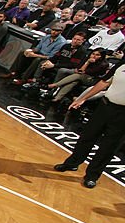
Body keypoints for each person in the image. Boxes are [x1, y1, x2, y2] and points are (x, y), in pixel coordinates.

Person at [53, 60, 125, 188]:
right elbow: (103, 82)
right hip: (105, 106)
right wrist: (83, 98)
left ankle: (92, 176)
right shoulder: (121, 65)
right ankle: (72, 163)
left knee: (108, 147)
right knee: (87, 136)